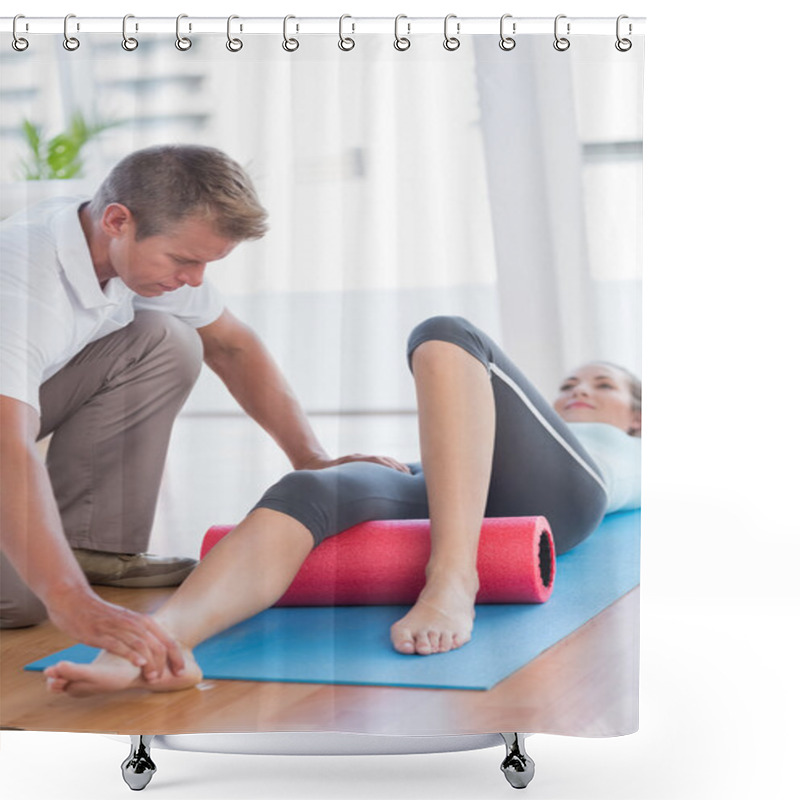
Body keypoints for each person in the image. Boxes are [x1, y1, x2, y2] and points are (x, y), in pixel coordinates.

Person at [42, 315, 641, 697]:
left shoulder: (632, 448)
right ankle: (148, 648)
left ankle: (453, 579)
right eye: (569, 386)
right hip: (449, 483)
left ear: (637, 418)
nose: (578, 391)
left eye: (603, 386)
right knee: (313, 487)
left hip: (563, 501)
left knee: (446, 334)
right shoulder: (516, 433)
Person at [0, 144, 407, 684]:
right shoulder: (21, 279)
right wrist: (67, 598)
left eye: (206, 264)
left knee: (166, 338)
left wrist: (311, 460)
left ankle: (91, 547)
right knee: (26, 604)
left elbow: (233, 346)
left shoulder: (124, 251)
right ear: (118, 221)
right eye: (184, 260)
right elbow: (7, 446)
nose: (194, 279)